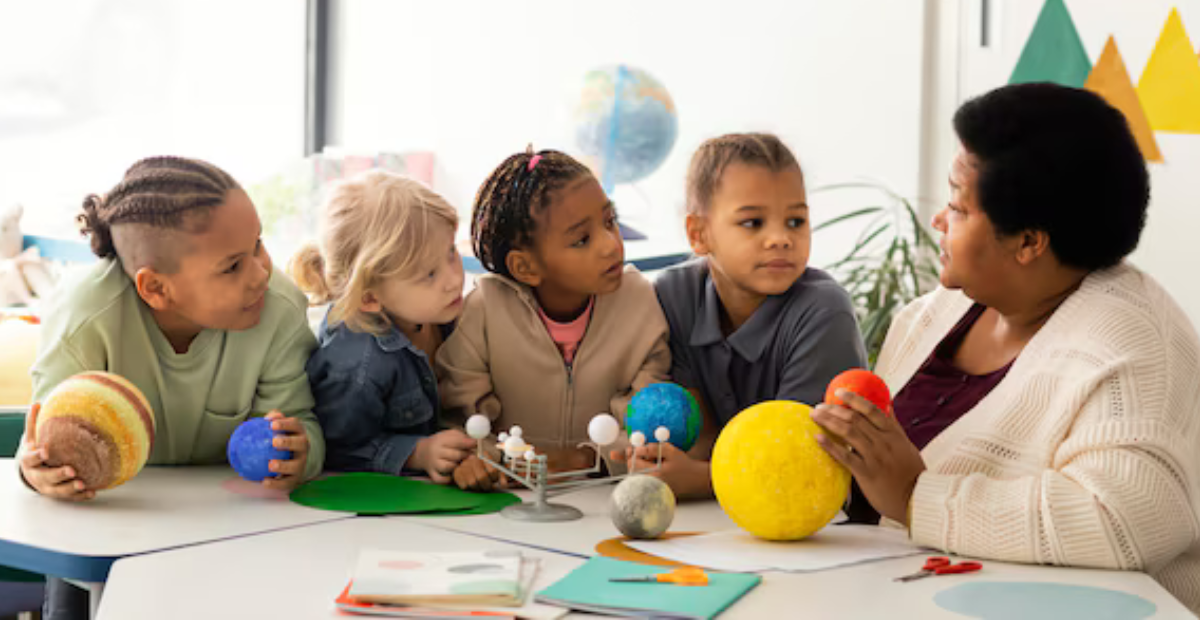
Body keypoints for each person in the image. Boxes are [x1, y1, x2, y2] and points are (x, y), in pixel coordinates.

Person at [811, 83, 1200, 612]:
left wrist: (916, 496)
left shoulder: (1130, 344)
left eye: (958, 206)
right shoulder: (930, 317)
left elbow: (1125, 521)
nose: (939, 221)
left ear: (1028, 242)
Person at [19, 156, 324, 619]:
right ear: (156, 288)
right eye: (233, 266)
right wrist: (36, 471)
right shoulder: (86, 315)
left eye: (258, 245)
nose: (261, 272)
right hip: (107, 523)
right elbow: (41, 442)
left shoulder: (277, 307)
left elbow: (302, 421)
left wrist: (302, 452)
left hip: (232, 527)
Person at [622, 132, 866, 499]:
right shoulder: (675, 295)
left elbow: (799, 461)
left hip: (816, 520)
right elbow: (699, 434)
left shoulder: (824, 313)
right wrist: (661, 462)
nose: (781, 238)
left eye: (796, 221)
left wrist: (701, 480)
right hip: (720, 520)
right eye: (754, 223)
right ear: (698, 234)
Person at [437, 147, 670, 490]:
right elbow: (459, 418)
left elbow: (648, 428)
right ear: (526, 267)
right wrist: (479, 462)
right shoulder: (484, 311)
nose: (611, 245)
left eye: (610, 221)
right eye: (582, 240)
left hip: (604, 500)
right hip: (507, 504)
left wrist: (585, 459)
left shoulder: (640, 303)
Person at [293, 171, 476, 483]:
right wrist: (418, 452)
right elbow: (338, 448)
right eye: (429, 274)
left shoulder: (447, 314)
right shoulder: (356, 364)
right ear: (369, 298)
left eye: (450, 252)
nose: (454, 279)